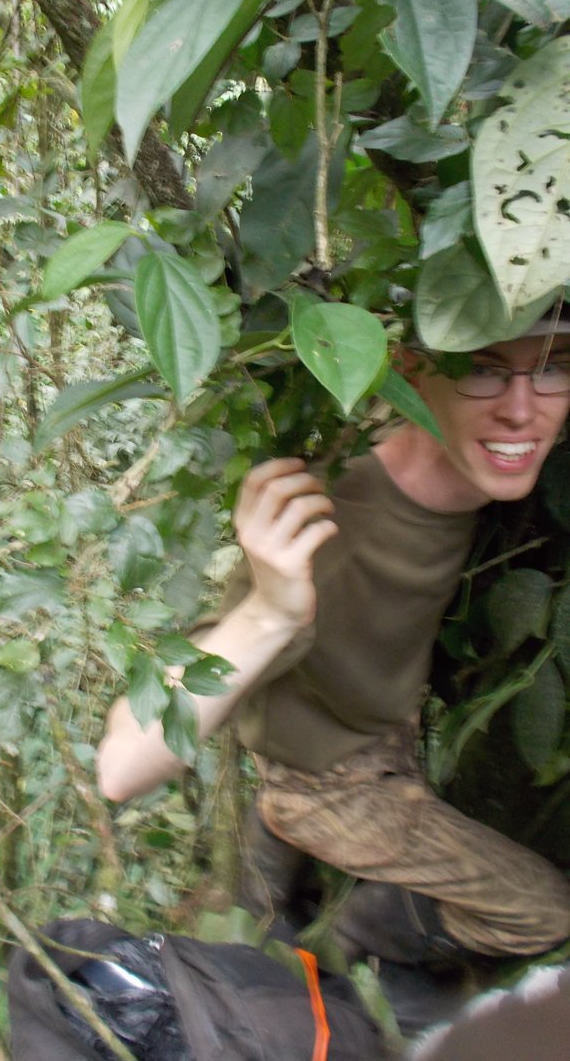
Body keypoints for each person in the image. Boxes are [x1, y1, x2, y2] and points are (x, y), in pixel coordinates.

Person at [96, 309, 570, 1006]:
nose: (521, 411)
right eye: (482, 368)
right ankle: (351, 942)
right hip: (328, 782)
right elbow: (122, 766)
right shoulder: (333, 524)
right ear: (411, 369)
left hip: (380, 723)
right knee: (543, 911)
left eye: (554, 366)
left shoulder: (438, 442)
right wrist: (269, 609)